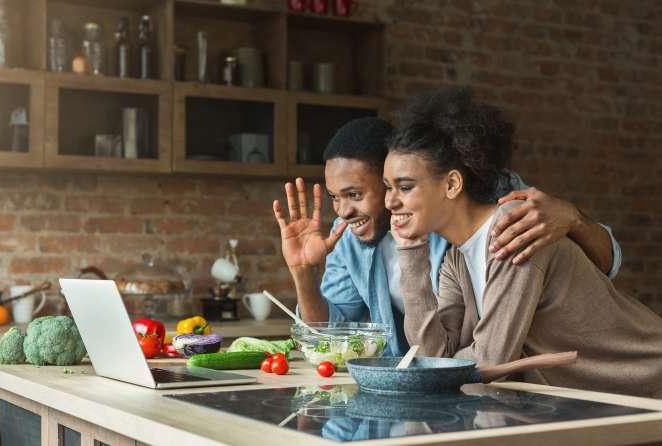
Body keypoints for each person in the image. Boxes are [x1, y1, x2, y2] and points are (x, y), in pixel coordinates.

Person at [385, 87, 662, 397]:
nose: (390, 202)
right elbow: (431, 358)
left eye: (405, 187)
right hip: (598, 400)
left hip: (649, 381)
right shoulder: (456, 261)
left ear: (451, 184)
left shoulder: (514, 226)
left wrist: (447, 365)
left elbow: (490, 360)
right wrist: (410, 250)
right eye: (387, 188)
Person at [273, 117, 623, 356]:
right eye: (335, 197)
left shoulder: (487, 209)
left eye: (354, 194)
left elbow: (602, 266)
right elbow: (330, 336)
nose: (343, 211)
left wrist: (575, 219)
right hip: (454, 383)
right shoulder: (347, 237)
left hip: (552, 377)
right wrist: (303, 272)